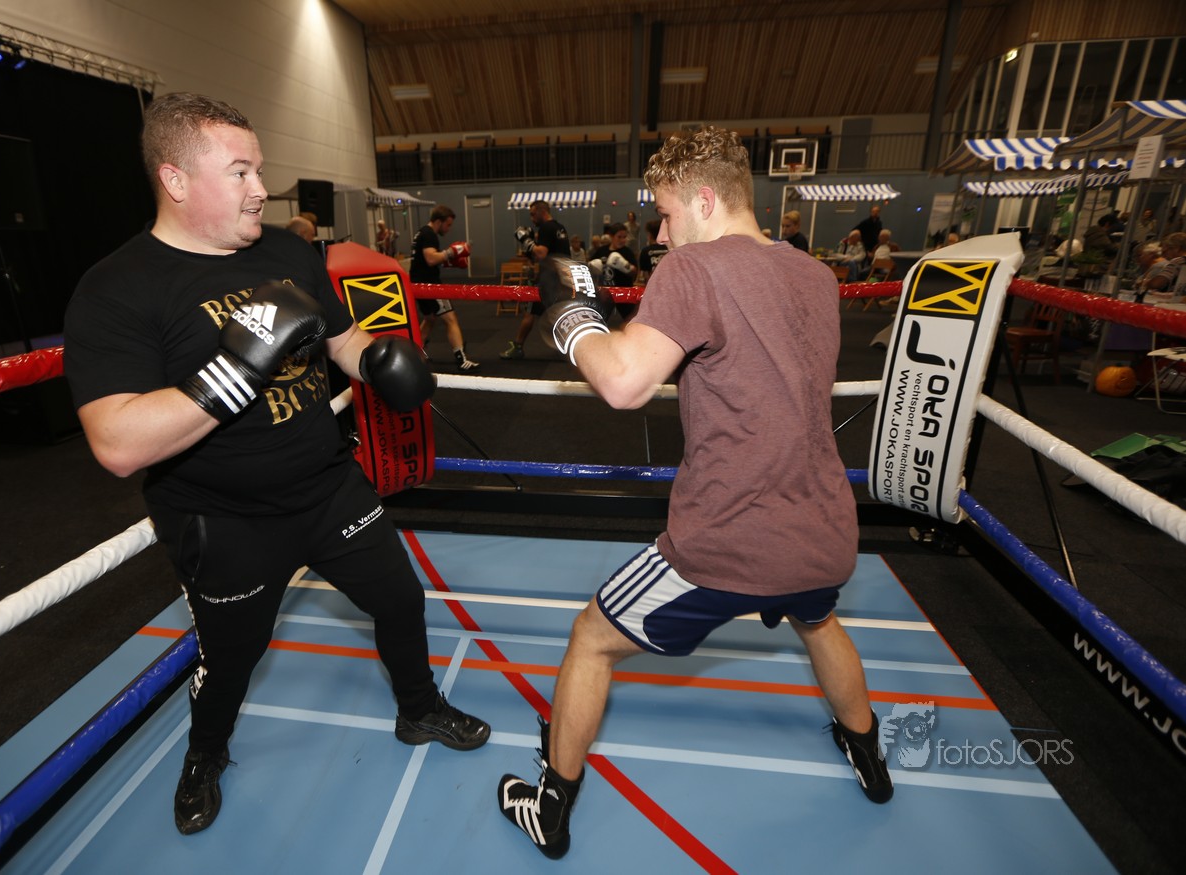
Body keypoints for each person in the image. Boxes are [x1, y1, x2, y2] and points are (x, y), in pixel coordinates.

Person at [62, 92, 489, 837]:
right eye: (240, 172)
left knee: (399, 600)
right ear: (176, 180)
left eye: (259, 169)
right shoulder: (117, 287)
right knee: (232, 657)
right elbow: (117, 442)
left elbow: (341, 339)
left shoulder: (287, 254)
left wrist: (378, 361)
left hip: (327, 487)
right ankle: (206, 752)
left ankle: (418, 708)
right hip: (222, 517)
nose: (261, 188)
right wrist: (239, 367)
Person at [495, 126, 891, 859]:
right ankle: (870, 757)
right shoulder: (813, 275)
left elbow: (624, 383)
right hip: (823, 526)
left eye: (666, 214)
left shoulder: (695, 268)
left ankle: (549, 806)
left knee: (589, 639)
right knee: (818, 622)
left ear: (704, 200)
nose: (661, 232)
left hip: (728, 538)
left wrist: (570, 316)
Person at [410, 204, 479, 370]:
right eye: (448, 225)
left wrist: (451, 261)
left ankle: (414, 355)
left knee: (430, 319)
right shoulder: (429, 234)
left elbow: (426, 261)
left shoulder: (421, 233)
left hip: (418, 284)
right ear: (438, 221)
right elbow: (431, 259)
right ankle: (462, 359)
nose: (449, 229)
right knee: (451, 318)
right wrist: (452, 252)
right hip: (431, 286)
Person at [500, 199, 571, 359]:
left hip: (548, 279)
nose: (531, 219)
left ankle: (518, 347)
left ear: (541, 212)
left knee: (530, 312)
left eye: (533, 214)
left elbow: (541, 253)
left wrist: (526, 240)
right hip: (561, 277)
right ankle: (568, 347)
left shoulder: (546, 227)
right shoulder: (559, 227)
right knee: (557, 313)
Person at [588, 223, 639, 320]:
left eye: (624, 237)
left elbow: (634, 272)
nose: (622, 240)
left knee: (627, 322)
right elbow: (589, 266)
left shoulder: (627, 252)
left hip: (624, 296)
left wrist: (625, 265)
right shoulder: (601, 251)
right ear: (611, 236)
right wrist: (592, 267)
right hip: (605, 296)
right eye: (619, 237)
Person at [637, 218, 668, 284]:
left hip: (653, 285)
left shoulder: (645, 251)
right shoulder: (670, 249)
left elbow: (644, 275)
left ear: (650, 235)